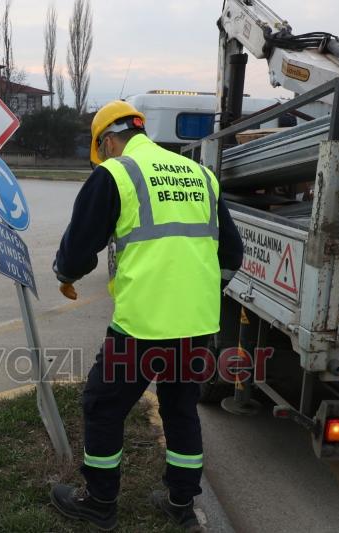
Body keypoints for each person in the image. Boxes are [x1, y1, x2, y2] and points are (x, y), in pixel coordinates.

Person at [49, 101, 243, 531]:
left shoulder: (117, 173)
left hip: (141, 328)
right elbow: (232, 255)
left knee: (102, 407)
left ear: (107, 140)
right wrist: (203, 291)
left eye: (104, 149)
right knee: (180, 410)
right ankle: (180, 503)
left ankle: (99, 503)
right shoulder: (201, 176)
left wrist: (65, 273)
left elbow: (80, 247)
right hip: (196, 325)